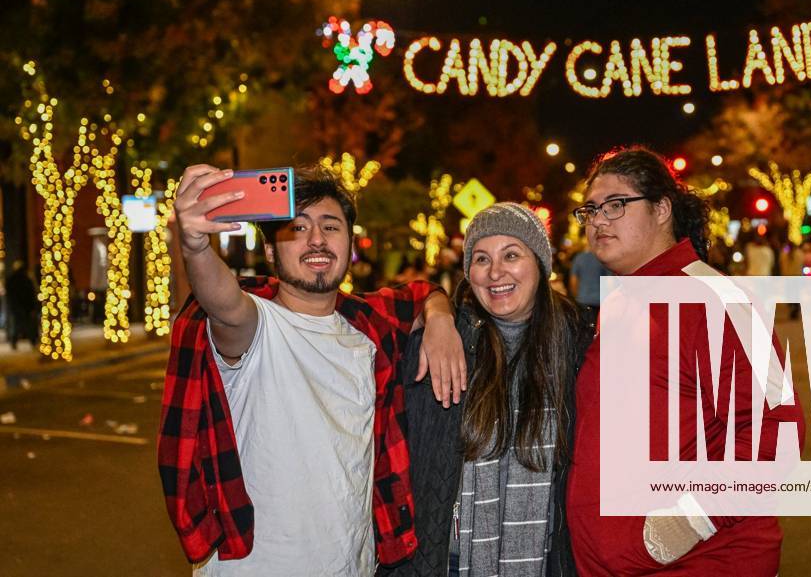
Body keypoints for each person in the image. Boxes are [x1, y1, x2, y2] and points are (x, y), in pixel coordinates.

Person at [158, 164, 465, 576]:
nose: (317, 239)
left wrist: (440, 315)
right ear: (270, 252)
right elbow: (224, 305)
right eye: (298, 228)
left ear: (349, 242)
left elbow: (420, 293)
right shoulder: (258, 323)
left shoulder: (367, 329)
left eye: (330, 226)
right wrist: (195, 246)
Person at [565, 147, 803, 576]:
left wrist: (684, 524)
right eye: (590, 210)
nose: (598, 220)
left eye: (615, 205)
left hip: (700, 562)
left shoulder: (716, 300)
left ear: (661, 209)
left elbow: (776, 431)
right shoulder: (617, 305)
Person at [382, 203, 596, 577]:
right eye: (481, 259)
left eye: (511, 255)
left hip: (549, 560)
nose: (495, 272)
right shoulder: (441, 346)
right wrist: (436, 312)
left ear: (540, 264)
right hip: (451, 560)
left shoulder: (580, 346)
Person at [4, 260, 38, 350]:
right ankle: (32, 341)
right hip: (25, 306)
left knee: (16, 325)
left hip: (16, 306)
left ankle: (14, 342)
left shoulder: (11, 279)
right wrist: (32, 307)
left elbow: (9, 294)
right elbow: (31, 293)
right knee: (28, 325)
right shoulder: (26, 279)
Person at [569, 244, 614, 310]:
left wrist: (576, 296)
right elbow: (609, 281)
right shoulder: (603, 258)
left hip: (582, 300)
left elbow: (573, 280)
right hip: (599, 301)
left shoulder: (579, 258)